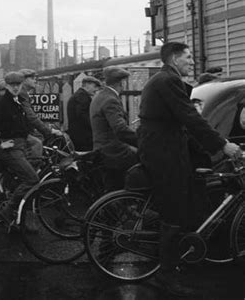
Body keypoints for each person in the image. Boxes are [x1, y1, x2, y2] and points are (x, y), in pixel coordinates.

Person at [137, 42, 241, 296]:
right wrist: (222, 144)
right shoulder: (167, 81)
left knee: (192, 195)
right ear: (173, 58)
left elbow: (183, 122)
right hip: (164, 152)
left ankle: (187, 252)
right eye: (188, 57)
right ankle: (166, 274)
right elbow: (190, 117)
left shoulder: (165, 79)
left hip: (165, 147)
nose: (193, 62)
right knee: (174, 210)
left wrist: (209, 149)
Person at [0, 71, 39, 230]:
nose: (15, 88)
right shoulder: (1, 103)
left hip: (20, 146)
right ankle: (7, 211)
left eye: (18, 85)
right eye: (12, 85)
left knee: (22, 180)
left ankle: (20, 217)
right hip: (11, 149)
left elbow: (21, 125)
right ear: (7, 86)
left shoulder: (17, 102)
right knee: (32, 180)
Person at [90, 67, 138, 191]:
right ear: (121, 83)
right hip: (114, 151)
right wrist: (141, 141)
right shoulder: (111, 99)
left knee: (112, 187)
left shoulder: (100, 96)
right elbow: (120, 129)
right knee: (146, 161)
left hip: (102, 148)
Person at [19, 68, 63, 166]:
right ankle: (32, 171)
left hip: (23, 129)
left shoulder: (24, 93)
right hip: (17, 132)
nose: (35, 80)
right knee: (36, 143)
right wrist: (48, 130)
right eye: (32, 78)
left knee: (39, 136)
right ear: (24, 80)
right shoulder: (21, 93)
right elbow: (30, 116)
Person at [67, 76, 102, 151]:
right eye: (95, 86)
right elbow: (83, 116)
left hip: (78, 135)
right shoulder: (82, 96)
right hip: (83, 137)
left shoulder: (80, 95)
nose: (96, 89)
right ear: (87, 85)